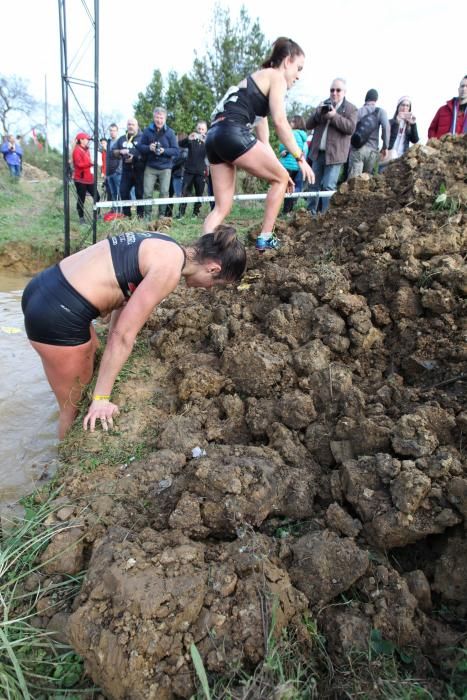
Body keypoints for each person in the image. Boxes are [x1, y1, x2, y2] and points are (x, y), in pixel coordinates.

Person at [22, 226, 246, 439]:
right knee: (72, 407)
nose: (208, 288)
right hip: (58, 312)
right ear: (213, 269)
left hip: (45, 286)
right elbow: (123, 336)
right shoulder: (169, 270)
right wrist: (101, 399)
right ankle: (58, 468)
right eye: (215, 284)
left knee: (94, 353)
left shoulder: (166, 244)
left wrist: (111, 337)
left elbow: (124, 294)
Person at [203, 37, 314, 251]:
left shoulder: (256, 84)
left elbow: (264, 143)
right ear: (287, 61)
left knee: (221, 207)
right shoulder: (276, 77)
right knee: (281, 180)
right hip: (232, 132)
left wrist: (279, 170)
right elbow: (281, 122)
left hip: (214, 136)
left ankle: (203, 254)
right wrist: (300, 159)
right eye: (298, 68)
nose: (298, 76)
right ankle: (265, 238)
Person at [305, 78, 358, 214]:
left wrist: (334, 116)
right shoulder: (323, 104)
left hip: (335, 155)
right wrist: (318, 112)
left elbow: (350, 128)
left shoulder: (351, 109)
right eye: (332, 90)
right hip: (318, 153)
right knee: (313, 185)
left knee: (328, 187)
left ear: (344, 92)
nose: (334, 93)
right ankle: (309, 215)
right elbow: (308, 124)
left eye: (338, 90)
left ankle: (324, 216)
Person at [137, 107, 179, 219]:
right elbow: (140, 147)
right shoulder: (147, 131)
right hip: (150, 167)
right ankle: (147, 216)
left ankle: (161, 215)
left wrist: (164, 151)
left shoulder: (170, 132)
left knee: (164, 192)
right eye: (157, 117)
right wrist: (149, 148)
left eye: (161, 118)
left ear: (165, 119)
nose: (159, 120)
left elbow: (176, 150)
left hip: (165, 168)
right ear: (153, 117)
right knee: (147, 193)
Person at [347, 89, 389, 180]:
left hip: (357, 150)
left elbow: (350, 129)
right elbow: (386, 127)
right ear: (376, 99)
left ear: (366, 99)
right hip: (372, 152)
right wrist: (385, 147)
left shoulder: (358, 111)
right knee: (366, 182)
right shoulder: (381, 112)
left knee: (352, 182)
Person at [112, 118, 145, 219]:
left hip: (139, 170)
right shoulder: (122, 138)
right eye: (129, 124)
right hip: (126, 171)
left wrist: (135, 158)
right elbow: (113, 152)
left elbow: (147, 153)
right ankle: (127, 215)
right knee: (123, 191)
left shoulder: (143, 138)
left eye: (133, 124)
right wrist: (120, 152)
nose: (130, 126)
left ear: (137, 126)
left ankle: (140, 216)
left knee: (139, 193)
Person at [278, 115, 308, 214]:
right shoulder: (303, 136)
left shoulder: (290, 133)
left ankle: (282, 211)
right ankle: (289, 210)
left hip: (288, 165)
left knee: (283, 187)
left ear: (295, 123)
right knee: (294, 188)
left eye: (291, 122)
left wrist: (283, 151)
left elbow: (282, 147)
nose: (289, 124)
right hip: (299, 166)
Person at [178, 121, 208, 218]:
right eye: (199, 129)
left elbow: (215, 150)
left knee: (199, 193)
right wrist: (188, 138)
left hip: (201, 172)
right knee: (184, 192)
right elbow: (180, 144)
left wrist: (207, 142)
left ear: (206, 130)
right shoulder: (192, 139)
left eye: (203, 129)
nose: (200, 131)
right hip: (189, 171)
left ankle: (195, 214)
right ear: (196, 129)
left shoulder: (208, 141)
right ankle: (181, 213)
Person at [380, 96, 419, 167]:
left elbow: (415, 140)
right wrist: (397, 122)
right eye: (403, 105)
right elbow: (383, 137)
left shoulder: (408, 125)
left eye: (407, 106)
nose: (405, 108)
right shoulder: (390, 122)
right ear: (398, 107)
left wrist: (413, 124)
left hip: (402, 158)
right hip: (388, 156)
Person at [72, 132, 100, 225]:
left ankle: (97, 215)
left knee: (97, 196)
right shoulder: (77, 150)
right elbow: (78, 164)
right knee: (81, 199)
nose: (88, 141)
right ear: (81, 140)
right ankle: (81, 218)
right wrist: (91, 163)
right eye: (86, 139)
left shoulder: (86, 150)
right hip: (80, 179)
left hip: (89, 179)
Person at [105, 123, 122, 212]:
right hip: (109, 172)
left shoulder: (120, 142)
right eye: (110, 130)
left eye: (114, 131)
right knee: (112, 193)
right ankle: (115, 212)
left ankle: (121, 212)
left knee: (119, 193)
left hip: (117, 172)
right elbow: (107, 157)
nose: (112, 132)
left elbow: (122, 157)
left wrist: (119, 170)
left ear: (117, 131)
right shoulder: (108, 142)